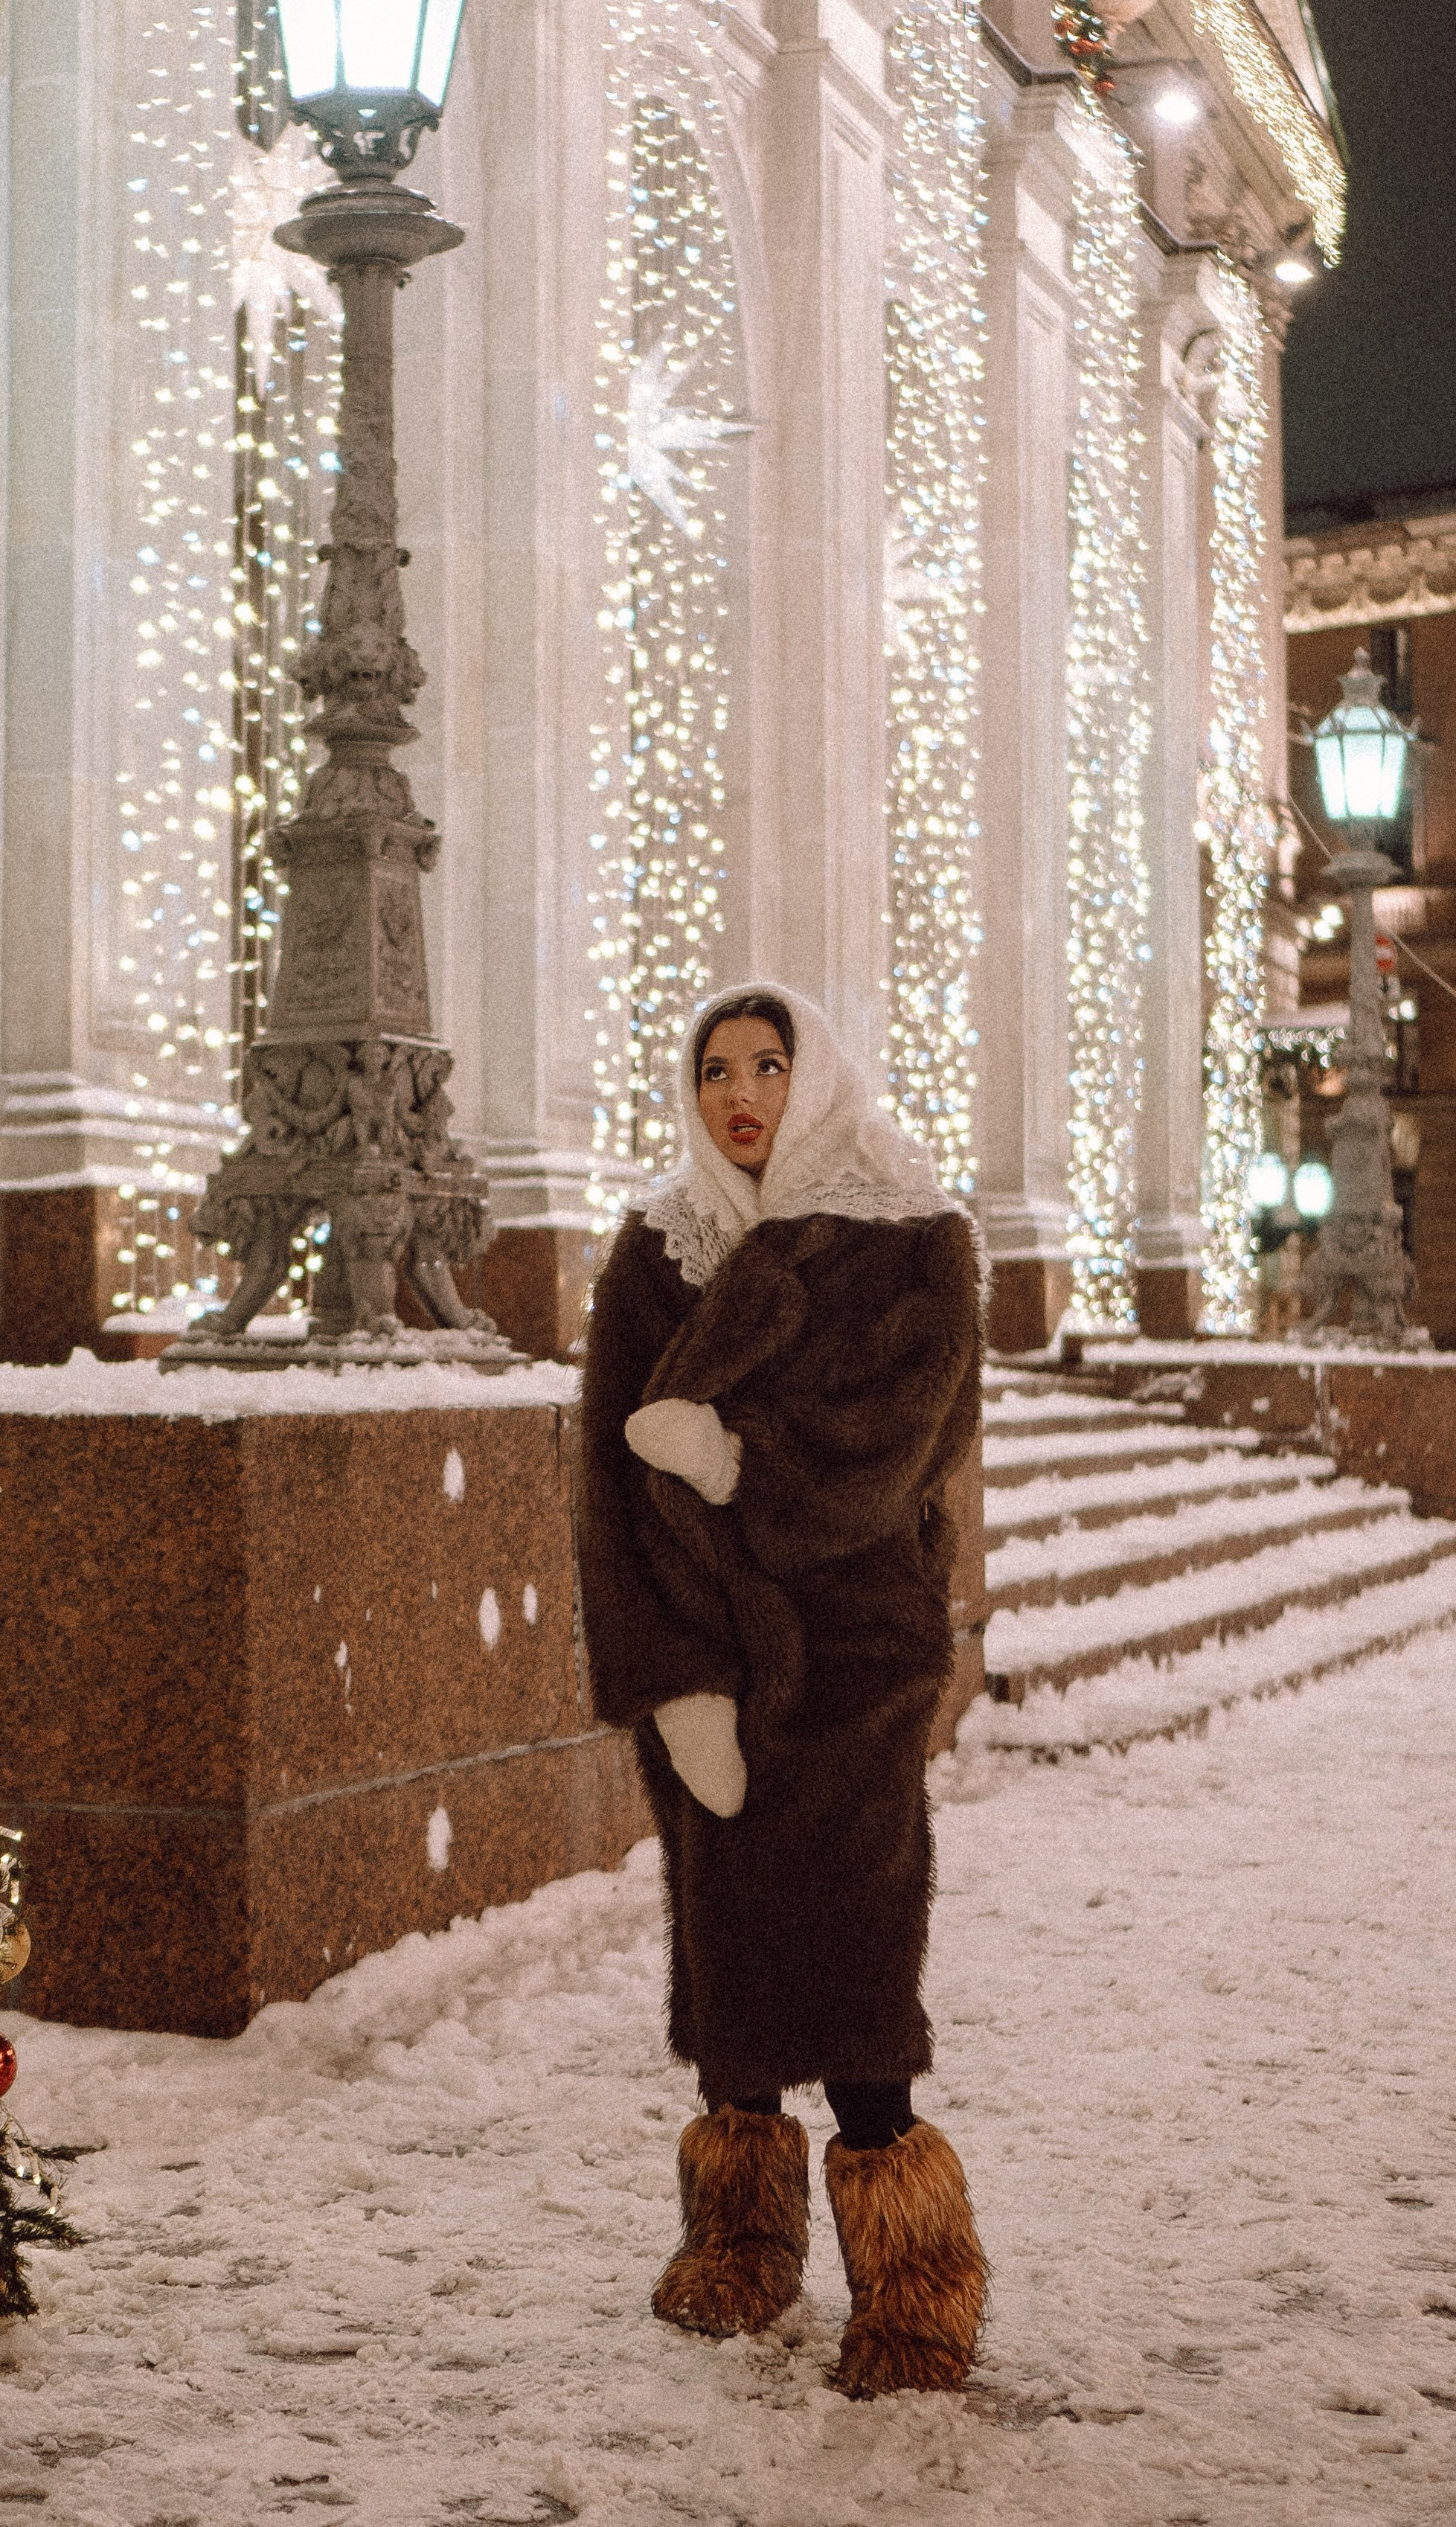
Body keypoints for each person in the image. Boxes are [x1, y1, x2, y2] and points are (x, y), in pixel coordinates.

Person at [575, 981, 987, 2397]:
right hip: (706, 1653)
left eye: (767, 1063)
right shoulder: (655, 1253)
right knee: (730, 1955)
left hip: (856, 1651)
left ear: (816, 1078)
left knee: (863, 1968)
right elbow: (600, 1492)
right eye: (711, 1070)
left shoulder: (913, 1238)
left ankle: (915, 2286)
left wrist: (736, 1464)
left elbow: (901, 1447)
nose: (737, 1093)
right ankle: (741, 2244)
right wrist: (669, 1682)